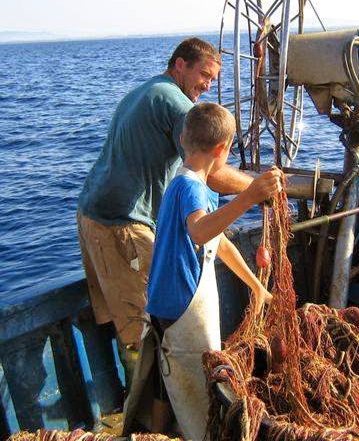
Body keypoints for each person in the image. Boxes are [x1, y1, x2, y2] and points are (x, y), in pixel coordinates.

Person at [76, 38, 253, 387]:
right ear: (179, 65)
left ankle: (144, 400)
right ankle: (146, 412)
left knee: (131, 321)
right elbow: (214, 174)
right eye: (203, 74)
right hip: (121, 226)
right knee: (144, 328)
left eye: (213, 80)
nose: (206, 85)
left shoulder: (150, 89)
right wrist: (259, 187)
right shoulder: (177, 105)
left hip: (94, 216)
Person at [127, 102, 280, 440]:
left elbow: (218, 242)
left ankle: (159, 432)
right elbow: (200, 232)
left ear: (184, 137)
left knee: (166, 381)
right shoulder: (191, 188)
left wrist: (257, 287)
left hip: (164, 303)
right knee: (198, 383)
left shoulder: (189, 183)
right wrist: (250, 195)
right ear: (222, 150)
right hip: (182, 309)